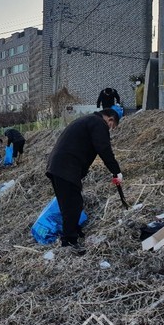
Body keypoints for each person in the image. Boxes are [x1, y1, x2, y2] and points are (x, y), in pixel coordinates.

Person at [46, 108, 123, 254]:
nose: (110, 129)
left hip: (57, 166)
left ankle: (73, 231)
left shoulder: (86, 120)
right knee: (72, 205)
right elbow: (104, 149)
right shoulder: (98, 123)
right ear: (110, 119)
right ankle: (69, 242)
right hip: (66, 167)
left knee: (70, 203)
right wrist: (116, 171)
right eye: (112, 127)